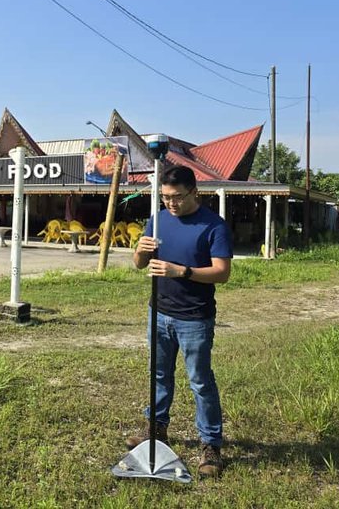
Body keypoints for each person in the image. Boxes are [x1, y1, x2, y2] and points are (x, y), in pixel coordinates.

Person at [127, 165, 233, 478]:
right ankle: (156, 430)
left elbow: (222, 272)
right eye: (165, 197)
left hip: (194, 318)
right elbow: (138, 264)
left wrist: (182, 271)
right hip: (158, 311)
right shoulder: (157, 220)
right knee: (158, 374)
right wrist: (139, 251)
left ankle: (210, 444)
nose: (171, 204)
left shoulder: (214, 226)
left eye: (177, 197)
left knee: (200, 382)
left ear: (194, 192)